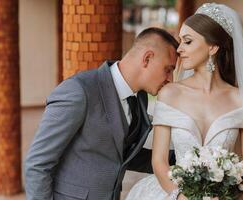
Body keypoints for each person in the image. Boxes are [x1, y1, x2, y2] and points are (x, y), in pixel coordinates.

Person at [126, 3, 243, 200]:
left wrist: (226, 193)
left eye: (187, 41)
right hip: (176, 193)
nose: (179, 49)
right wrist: (182, 197)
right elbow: (159, 162)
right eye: (180, 41)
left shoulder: (241, 99)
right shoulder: (170, 93)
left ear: (213, 47)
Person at [24, 27, 178, 200]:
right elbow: (37, 164)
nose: (170, 79)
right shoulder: (79, 91)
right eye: (168, 69)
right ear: (147, 58)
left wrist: (180, 157)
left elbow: (122, 155)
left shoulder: (138, 98)